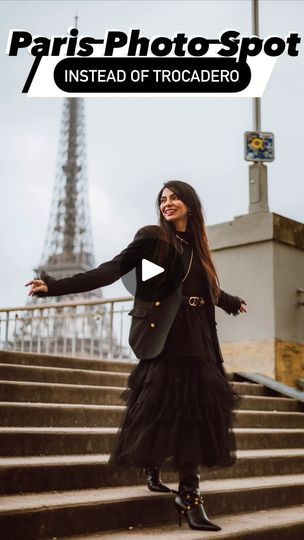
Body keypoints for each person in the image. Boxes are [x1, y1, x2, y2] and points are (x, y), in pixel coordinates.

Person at [26, 180, 247, 532]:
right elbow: (112, 271)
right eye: (162, 199)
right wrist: (55, 286)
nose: (167, 203)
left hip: (199, 337)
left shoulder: (197, 247)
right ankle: (189, 496)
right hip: (169, 338)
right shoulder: (153, 239)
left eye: (174, 197)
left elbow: (201, 288)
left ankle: (168, 477)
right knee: (169, 410)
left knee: (192, 413)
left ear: (190, 204)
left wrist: (230, 301)